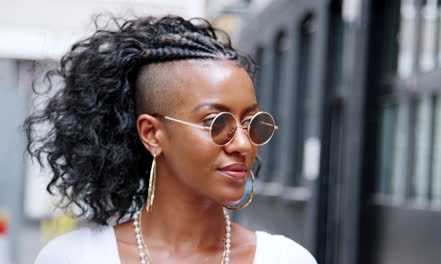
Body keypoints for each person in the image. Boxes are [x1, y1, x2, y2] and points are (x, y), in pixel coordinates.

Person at [26, 15, 317, 264]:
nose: (242, 144)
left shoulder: (285, 259)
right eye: (216, 122)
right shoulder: (76, 258)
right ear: (152, 134)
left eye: (251, 123)